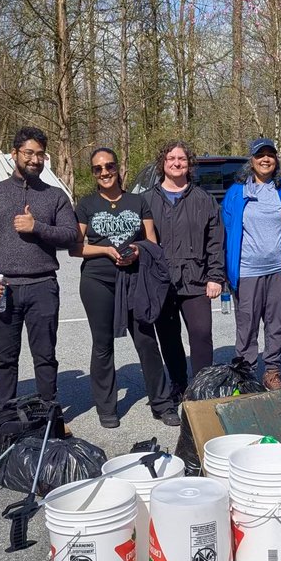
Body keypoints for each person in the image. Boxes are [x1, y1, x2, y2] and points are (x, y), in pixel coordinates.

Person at [0, 126, 79, 407]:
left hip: (42, 286)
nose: (35, 159)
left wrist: (37, 227)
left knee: (45, 356)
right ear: (14, 154)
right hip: (2, 288)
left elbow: (70, 235)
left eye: (40, 154)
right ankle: (7, 415)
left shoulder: (55, 196)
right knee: (5, 359)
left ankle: (49, 413)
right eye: (28, 153)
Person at [72, 148, 178, 428]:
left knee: (146, 340)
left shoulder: (138, 201)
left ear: (118, 168)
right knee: (103, 344)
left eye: (109, 166)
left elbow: (152, 242)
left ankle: (162, 403)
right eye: (98, 168)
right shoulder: (86, 205)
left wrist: (137, 250)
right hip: (98, 281)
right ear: (93, 173)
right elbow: (75, 247)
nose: (104, 172)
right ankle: (106, 407)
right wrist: (106, 250)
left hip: (135, 280)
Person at [145, 141, 225, 398]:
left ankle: (203, 386)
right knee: (169, 337)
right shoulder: (146, 200)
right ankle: (178, 383)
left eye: (182, 159)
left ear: (189, 164)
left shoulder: (204, 200)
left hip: (197, 280)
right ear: (163, 163)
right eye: (171, 158)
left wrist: (215, 276)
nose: (177, 163)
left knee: (201, 334)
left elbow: (215, 242)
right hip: (161, 282)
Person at [221, 137, 281, 390]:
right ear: (252, 160)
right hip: (246, 270)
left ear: (276, 159)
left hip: (279, 268)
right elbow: (225, 229)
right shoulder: (237, 191)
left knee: (276, 322)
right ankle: (245, 373)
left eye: (270, 154)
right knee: (246, 324)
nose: (265, 159)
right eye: (260, 155)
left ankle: (272, 371)